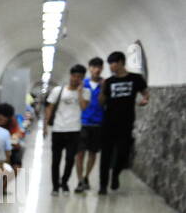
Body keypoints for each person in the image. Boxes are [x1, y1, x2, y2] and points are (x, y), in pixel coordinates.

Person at [97, 50, 150, 194]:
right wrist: (102, 90)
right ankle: (103, 185)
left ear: (121, 62)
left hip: (126, 122)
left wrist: (144, 100)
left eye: (112, 64)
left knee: (123, 153)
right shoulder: (108, 81)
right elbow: (101, 103)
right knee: (105, 155)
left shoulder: (136, 78)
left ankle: (115, 175)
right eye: (109, 65)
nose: (111, 67)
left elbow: (145, 93)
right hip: (108, 122)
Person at [45, 64, 90, 194]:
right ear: (70, 76)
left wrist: (80, 93)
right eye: (75, 76)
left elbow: (83, 107)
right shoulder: (58, 90)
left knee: (70, 159)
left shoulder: (86, 92)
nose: (76, 79)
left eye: (80, 77)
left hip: (74, 130)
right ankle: (55, 186)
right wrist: (45, 126)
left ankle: (64, 182)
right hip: (58, 129)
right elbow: (50, 107)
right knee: (56, 160)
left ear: (83, 78)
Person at [74, 56, 105, 192]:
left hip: (98, 123)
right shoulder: (83, 83)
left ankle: (87, 177)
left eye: (99, 67)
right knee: (79, 153)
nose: (96, 70)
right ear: (89, 68)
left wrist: (104, 89)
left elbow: (103, 103)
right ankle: (80, 180)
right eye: (93, 67)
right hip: (82, 123)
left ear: (102, 68)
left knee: (93, 153)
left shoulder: (104, 84)